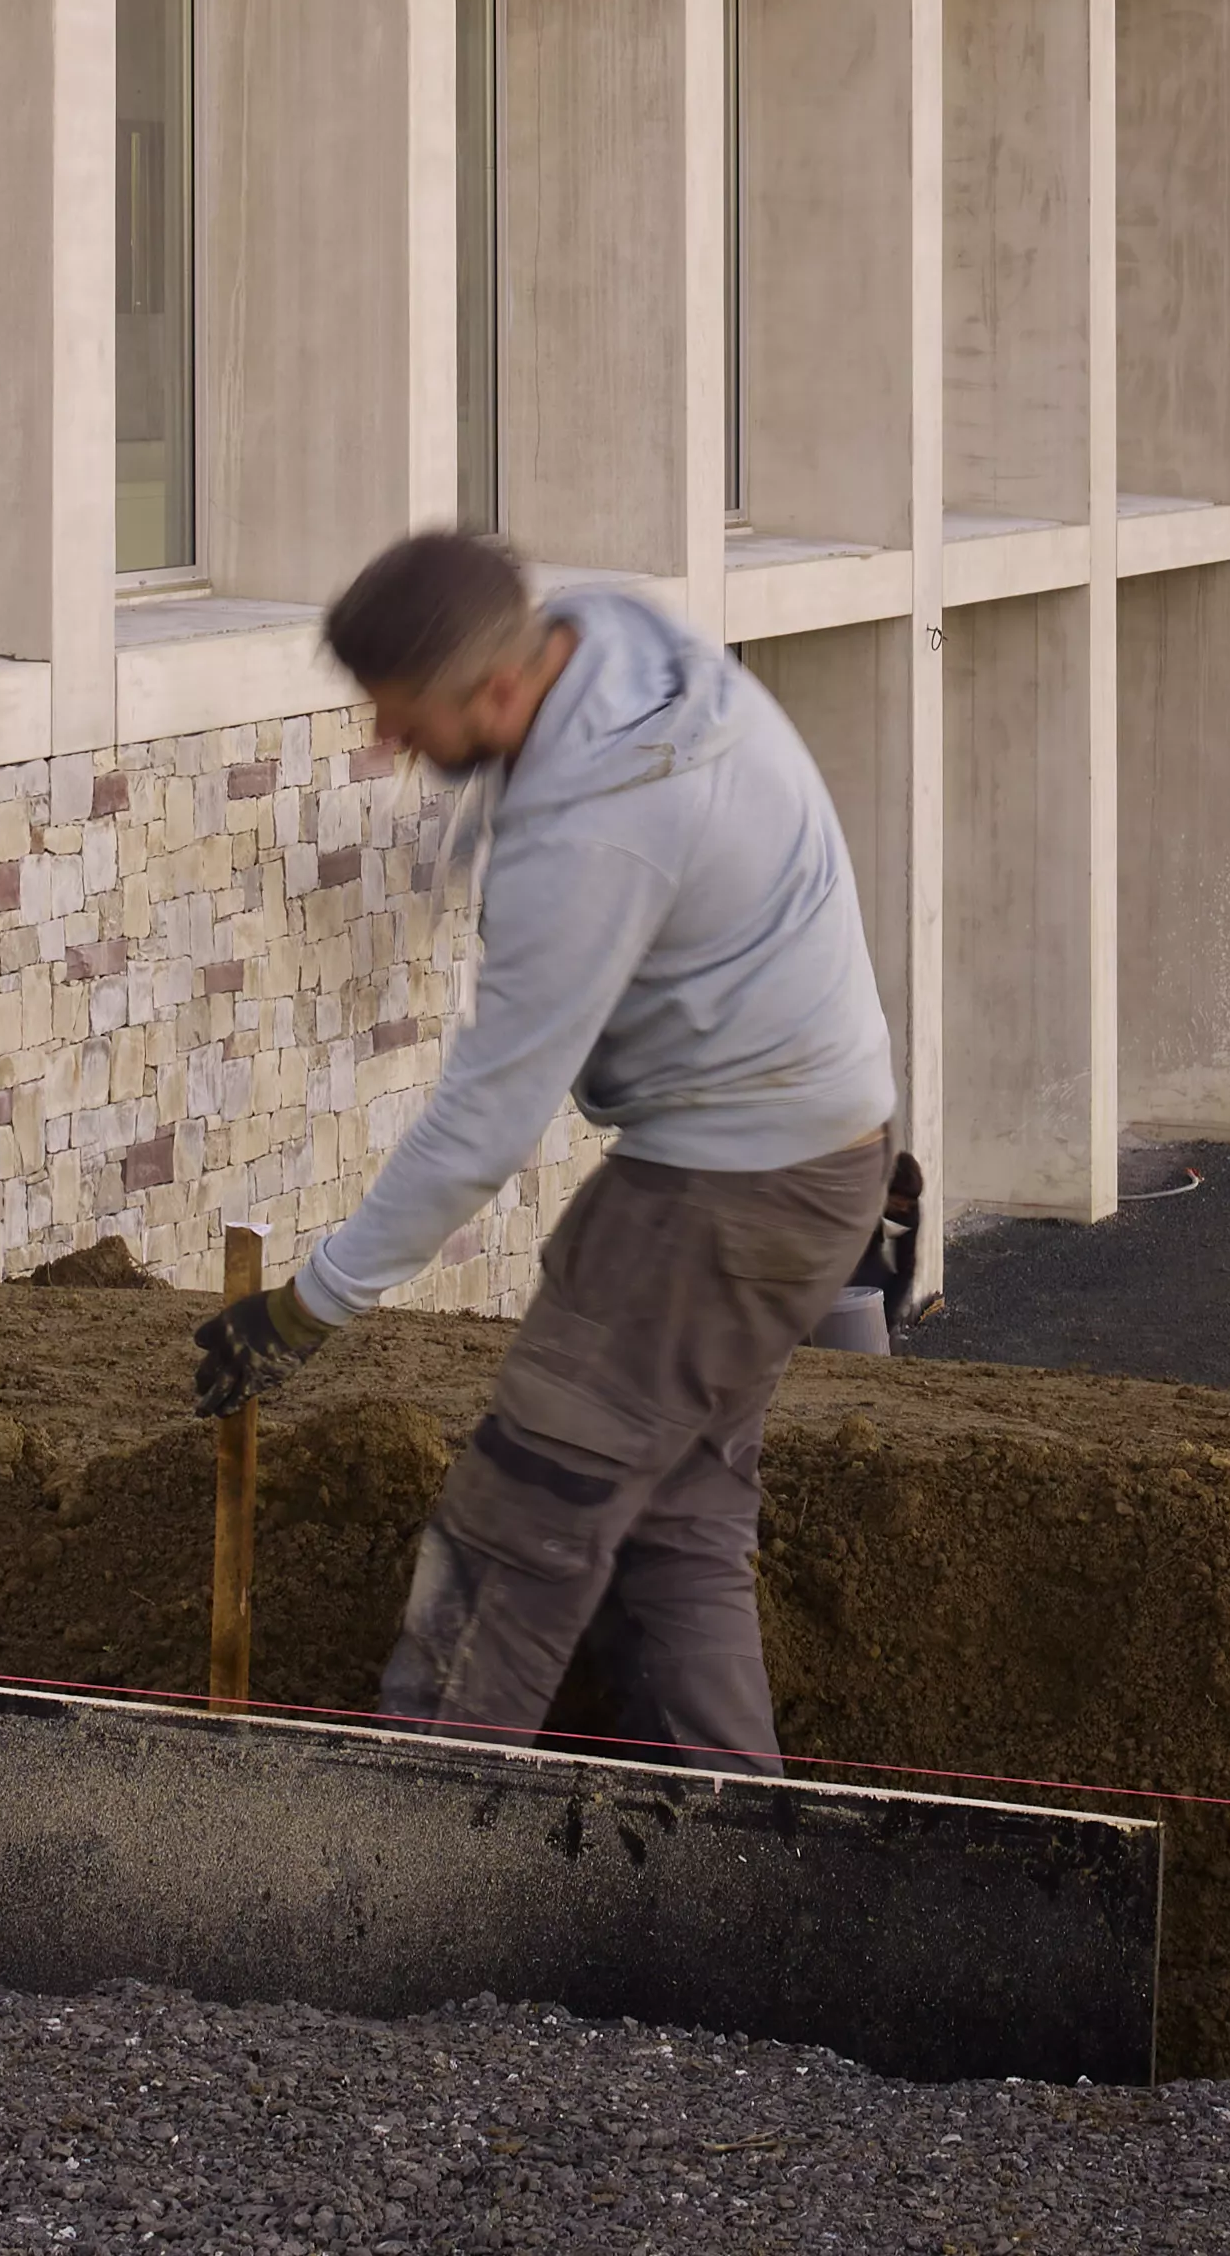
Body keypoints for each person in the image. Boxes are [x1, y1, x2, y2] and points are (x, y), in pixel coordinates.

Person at [194, 528, 899, 1773]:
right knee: (674, 1518)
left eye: (403, 719)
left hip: (720, 1197)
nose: (387, 746)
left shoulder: (593, 827)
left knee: (518, 1525)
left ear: (501, 689)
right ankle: (724, 1877)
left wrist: (305, 1311)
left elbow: (485, 1123)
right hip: (811, 1159)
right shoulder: (614, 639)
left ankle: (400, 1882)